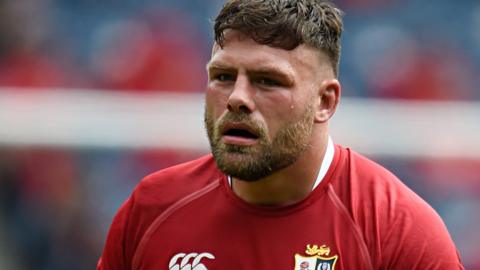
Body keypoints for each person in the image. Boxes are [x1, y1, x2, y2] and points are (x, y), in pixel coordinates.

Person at [97, 1, 464, 269]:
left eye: (267, 81)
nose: (237, 98)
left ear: (325, 101)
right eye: (223, 76)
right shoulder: (152, 209)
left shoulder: (397, 230)